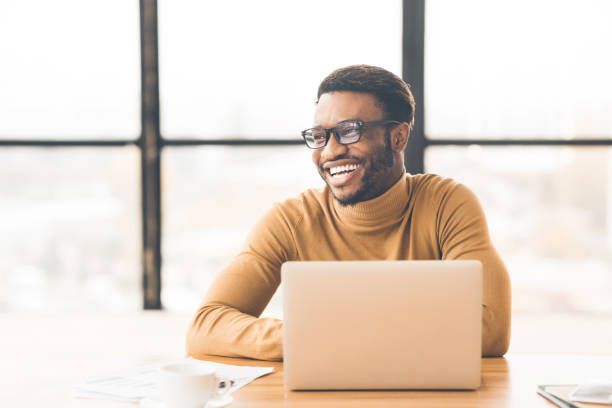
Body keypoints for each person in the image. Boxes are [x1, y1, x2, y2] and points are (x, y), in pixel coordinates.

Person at [186, 65, 511, 361]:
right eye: (320, 136)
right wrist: (307, 337)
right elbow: (206, 327)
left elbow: (492, 329)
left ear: (398, 136)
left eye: (349, 131)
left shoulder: (446, 204)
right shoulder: (291, 220)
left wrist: (336, 337)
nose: (329, 151)